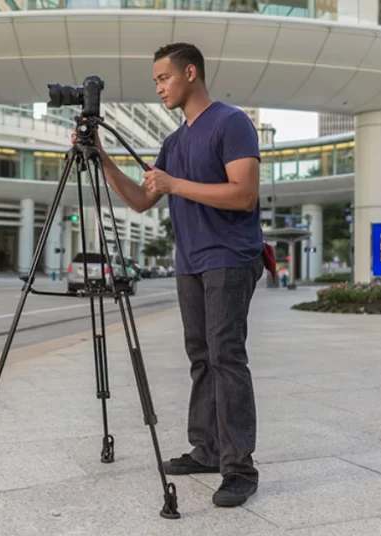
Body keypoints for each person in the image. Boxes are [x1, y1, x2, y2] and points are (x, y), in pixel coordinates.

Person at [82, 42, 264, 507]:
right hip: (191, 262)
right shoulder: (174, 142)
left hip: (230, 256)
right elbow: (142, 199)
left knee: (226, 356)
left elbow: (244, 194)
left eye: (163, 78)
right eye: (156, 81)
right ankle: (206, 450)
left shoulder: (231, 122)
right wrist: (101, 156)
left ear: (189, 73)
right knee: (201, 357)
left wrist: (174, 184)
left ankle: (240, 468)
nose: (159, 87)